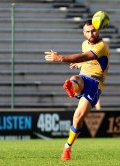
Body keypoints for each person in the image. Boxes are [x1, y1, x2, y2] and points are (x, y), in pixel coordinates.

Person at [44, 19, 110, 161]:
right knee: (75, 78)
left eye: (93, 30)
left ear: (98, 30)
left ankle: (67, 147)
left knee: (77, 118)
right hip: (84, 77)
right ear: (83, 33)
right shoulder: (84, 44)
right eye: (87, 31)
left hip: (95, 84)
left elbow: (86, 56)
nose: (91, 33)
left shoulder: (101, 46)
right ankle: (73, 88)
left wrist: (61, 58)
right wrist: (79, 64)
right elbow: (89, 61)